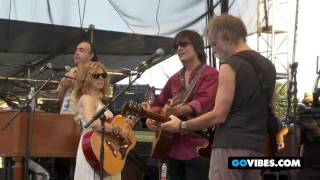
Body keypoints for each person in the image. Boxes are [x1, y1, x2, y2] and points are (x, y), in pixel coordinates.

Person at [161, 15, 277, 180]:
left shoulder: (229, 66)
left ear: (227, 37)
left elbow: (218, 115)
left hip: (229, 147)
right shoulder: (269, 66)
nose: (213, 50)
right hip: (258, 148)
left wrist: (182, 125)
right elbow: (271, 107)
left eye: (214, 43)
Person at [146, 30, 219, 180]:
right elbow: (158, 102)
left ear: (197, 47)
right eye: (176, 46)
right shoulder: (174, 79)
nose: (179, 49)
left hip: (200, 147)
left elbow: (203, 103)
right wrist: (151, 117)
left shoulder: (210, 74)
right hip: (173, 148)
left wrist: (176, 110)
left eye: (184, 44)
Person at [73, 62, 125, 180]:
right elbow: (94, 124)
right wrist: (117, 130)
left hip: (105, 149)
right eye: (96, 75)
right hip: (92, 149)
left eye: (103, 75)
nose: (101, 78)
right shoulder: (87, 98)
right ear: (87, 78)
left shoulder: (100, 101)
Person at [57, 40, 98, 114]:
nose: (76, 53)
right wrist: (63, 88)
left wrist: (76, 83)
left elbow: (96, 97)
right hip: (66, 116)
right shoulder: (70, 72)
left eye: (81, 50)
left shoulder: (97, 73)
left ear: (91, 55)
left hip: (84, 119)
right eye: (76, 50)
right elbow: (60, 101)